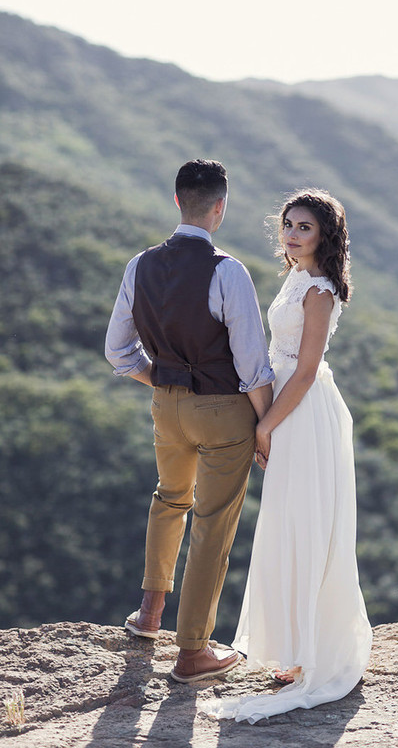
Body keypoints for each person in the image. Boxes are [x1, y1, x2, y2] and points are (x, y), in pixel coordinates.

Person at [207, 188, 373, 723]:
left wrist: (266, 426)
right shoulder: (296, 277)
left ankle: (311, 654)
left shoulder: (319, 290)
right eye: (288, 225)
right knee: (286, 522)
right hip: (283, 407)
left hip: (301, 412)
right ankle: (295, 648)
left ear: (326, 235)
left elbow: (304, 371)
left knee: (305, 523)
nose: (293, 234)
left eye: (305, 227)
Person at [105, 159, 274, 683]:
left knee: (169, 499)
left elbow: (117, 352)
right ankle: (192, 653)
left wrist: (163, 382)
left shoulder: (139, 265)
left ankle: (149, 614)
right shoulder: (228, 270)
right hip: (223, 411)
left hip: (166, 404)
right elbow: (253, 366)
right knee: (212, 525)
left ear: (177, 200)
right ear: (220, 207)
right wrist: (266, 426)